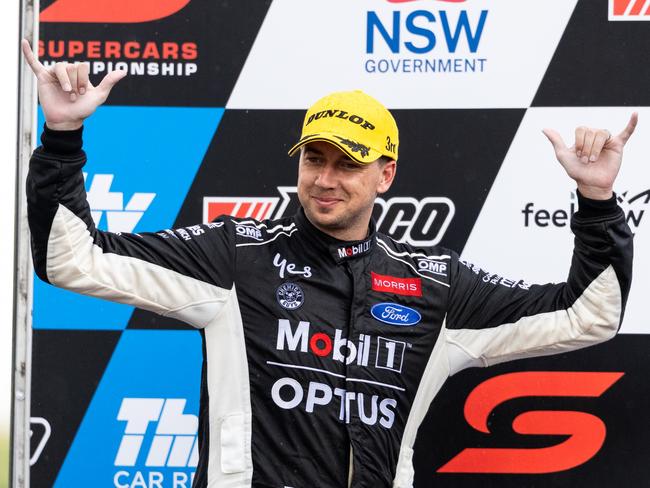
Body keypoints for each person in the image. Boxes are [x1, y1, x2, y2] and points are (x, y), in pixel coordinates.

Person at [22, 39, 635, 488]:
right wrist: (62, 137)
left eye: (347, 163)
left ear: (385, 175)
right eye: (314, 158)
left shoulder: (436, 288)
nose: (324, 178)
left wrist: (597, 201)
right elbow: (75, 260)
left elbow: (587, 317)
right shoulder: (237, 257)